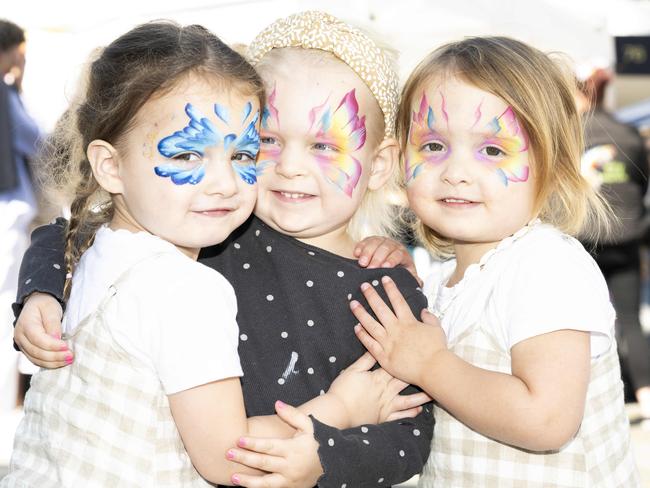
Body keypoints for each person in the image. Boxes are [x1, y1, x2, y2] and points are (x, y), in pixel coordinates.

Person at [11, 12, 433, 488]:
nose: (291, 167)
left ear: (378, 165)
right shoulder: (210, 234)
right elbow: (70, 234)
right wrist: (42, 294)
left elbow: (411, 435)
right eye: (267, 142)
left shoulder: (385, 290)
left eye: (322, 145)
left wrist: (323, 456)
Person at [350, 37, 640, 486]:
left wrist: (430, 365)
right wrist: (405, 286)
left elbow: (546, 420)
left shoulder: (545, 266)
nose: (456, 171)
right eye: (432, 146)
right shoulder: (448, 275)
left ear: (553, 165)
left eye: (491, 150)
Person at [576, 66, 650, 420]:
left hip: (582, 240)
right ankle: (647, 399)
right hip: (626, 238)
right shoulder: (630, 134)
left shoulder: (570, 133)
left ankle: (588, 402)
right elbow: (642, 184)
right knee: (631, 322)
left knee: (578, 322)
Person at [0, 19, 41, 414]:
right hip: (6, 213)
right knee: (3, 306)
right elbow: (36, 140)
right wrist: (18, 83)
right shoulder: (4, 92)